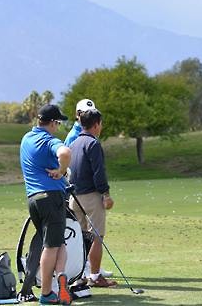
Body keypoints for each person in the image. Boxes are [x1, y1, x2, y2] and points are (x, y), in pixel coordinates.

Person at [20, 104, 72, 305]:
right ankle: (47, 293)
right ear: (52, 122)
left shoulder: (26, 138)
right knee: (51, 246)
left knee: (57, 242)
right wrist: (61, 169)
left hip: (33, 200)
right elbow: (65, 152)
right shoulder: (49, 140)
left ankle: (61, 277)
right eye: (58, 123)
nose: (58, 127)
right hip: (51, 198)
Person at [68, 108, 118, 288]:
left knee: (80, 238)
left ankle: (80, 276)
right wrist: (106, 194)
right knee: (96, 237)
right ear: (96, 125)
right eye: (101, 124)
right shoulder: (93, 144)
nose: (101, 127)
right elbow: (99, 173)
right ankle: (95, 277)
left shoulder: (73, 143)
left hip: (75, 198)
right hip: (91, 197)